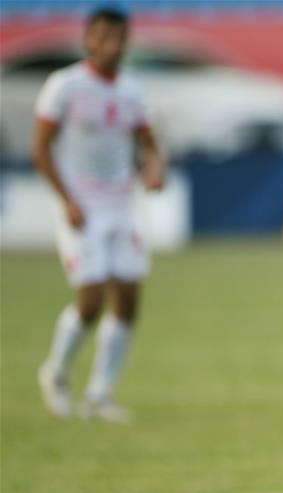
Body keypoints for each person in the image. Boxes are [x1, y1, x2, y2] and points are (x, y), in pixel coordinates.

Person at [34, 3, 165, 423]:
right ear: (89, 39)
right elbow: (40, 148)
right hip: (81, 206)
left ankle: (99, 393)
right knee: (90, 303)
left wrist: (154, 166)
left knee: (127, 299)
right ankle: (56, 371)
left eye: (119, 38)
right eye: (104, 37)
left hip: (122, 204)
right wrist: (66, 199)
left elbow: (148, 141)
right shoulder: (65, 86)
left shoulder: (131, 91)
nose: (112, 45)